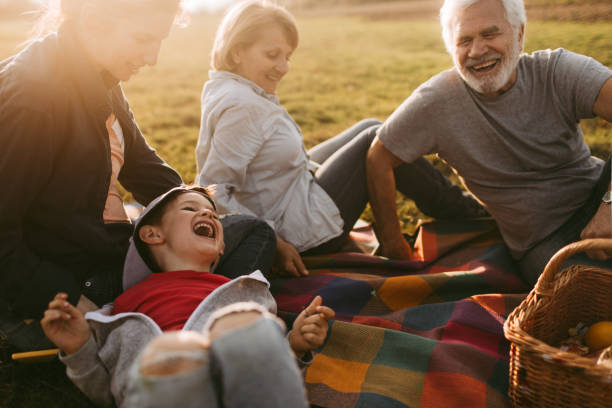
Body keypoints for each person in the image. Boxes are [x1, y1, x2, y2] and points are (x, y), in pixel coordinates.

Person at [0, 0, 276, 351]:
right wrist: (66, 297)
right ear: (94, 17)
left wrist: (197, 211)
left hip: (107, 248)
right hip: (71, 276)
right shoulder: (33, 99)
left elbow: (143, 167)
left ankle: (184, 318)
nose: (152, 57)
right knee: (254, 241)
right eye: (144, 39)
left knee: (252, 232)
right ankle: (194, 333)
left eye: (159, 40)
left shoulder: (97, 74)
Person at [196, 0, 487, 277]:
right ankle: (467, 213)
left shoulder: (230, 87)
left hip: (291, 190)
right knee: (379, 139)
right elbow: (214, 190)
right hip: (295, 233)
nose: (283, 67)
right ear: (236, 52)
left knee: (373, 126)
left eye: (287, 57)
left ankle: (457, 207)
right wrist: (274, 242)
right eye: (272, 55)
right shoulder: (241, 107)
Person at [366, 0, 612, 285]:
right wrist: (393, 242)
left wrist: (609, 205)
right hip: (545, 241)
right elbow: (378, 157)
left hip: (599, 194)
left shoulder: (556, 71)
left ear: (519, 34)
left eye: (489, 34)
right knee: (595, 298)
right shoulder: (436, 102)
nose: (477, 51)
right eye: (464, 40)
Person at [41, 186, 334, 408]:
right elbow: (109, 389)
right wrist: (79, 348)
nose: (207, 213)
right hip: (164, 394)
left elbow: (265, 371)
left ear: (222, 249)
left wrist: (295, 346)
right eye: (189, 209)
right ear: (152, 235)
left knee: (247, 329)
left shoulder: (247, 292)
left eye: (213, 213)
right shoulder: (123, 307)